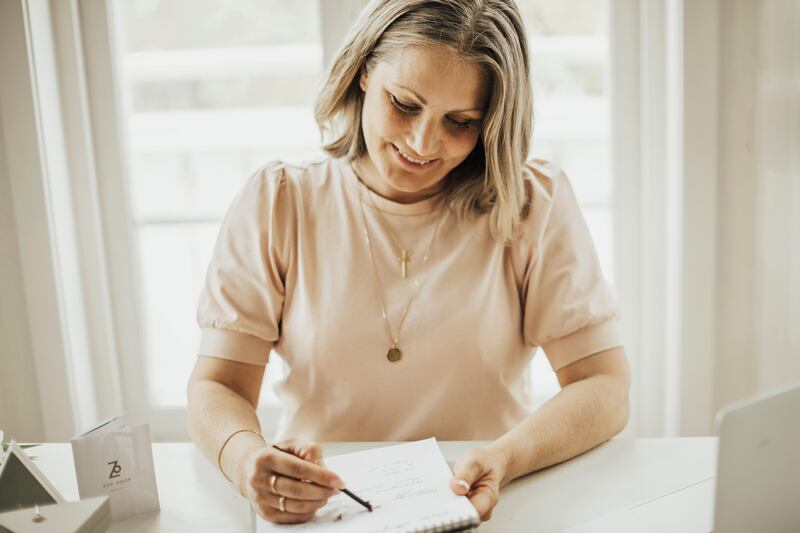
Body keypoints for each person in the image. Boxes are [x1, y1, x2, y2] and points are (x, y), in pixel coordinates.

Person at [187, 0, 630, 526]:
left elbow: (604, 386)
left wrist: (504, 458)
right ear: (364, 72)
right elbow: (219, 385)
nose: (424, 144)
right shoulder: (281, 201)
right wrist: (245, 461)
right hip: (329, 511)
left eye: (461, 122)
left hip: (488, 504)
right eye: (404, 104)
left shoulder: (533, 204)